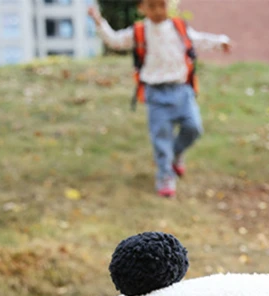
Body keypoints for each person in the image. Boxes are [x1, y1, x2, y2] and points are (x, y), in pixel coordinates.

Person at [89, 1, 231, 197]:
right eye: (152, 6)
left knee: (193, 127)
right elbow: (115, 40)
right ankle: (165, 175)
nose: (157, 10)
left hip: (182, 89)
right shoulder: (139, 32)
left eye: (161, 5)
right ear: (142, 8)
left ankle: (177, 153)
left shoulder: (178, 27)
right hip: (156, 94)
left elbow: (200, 40)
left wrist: (221, 42)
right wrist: (99, 22)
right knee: (161, 138)